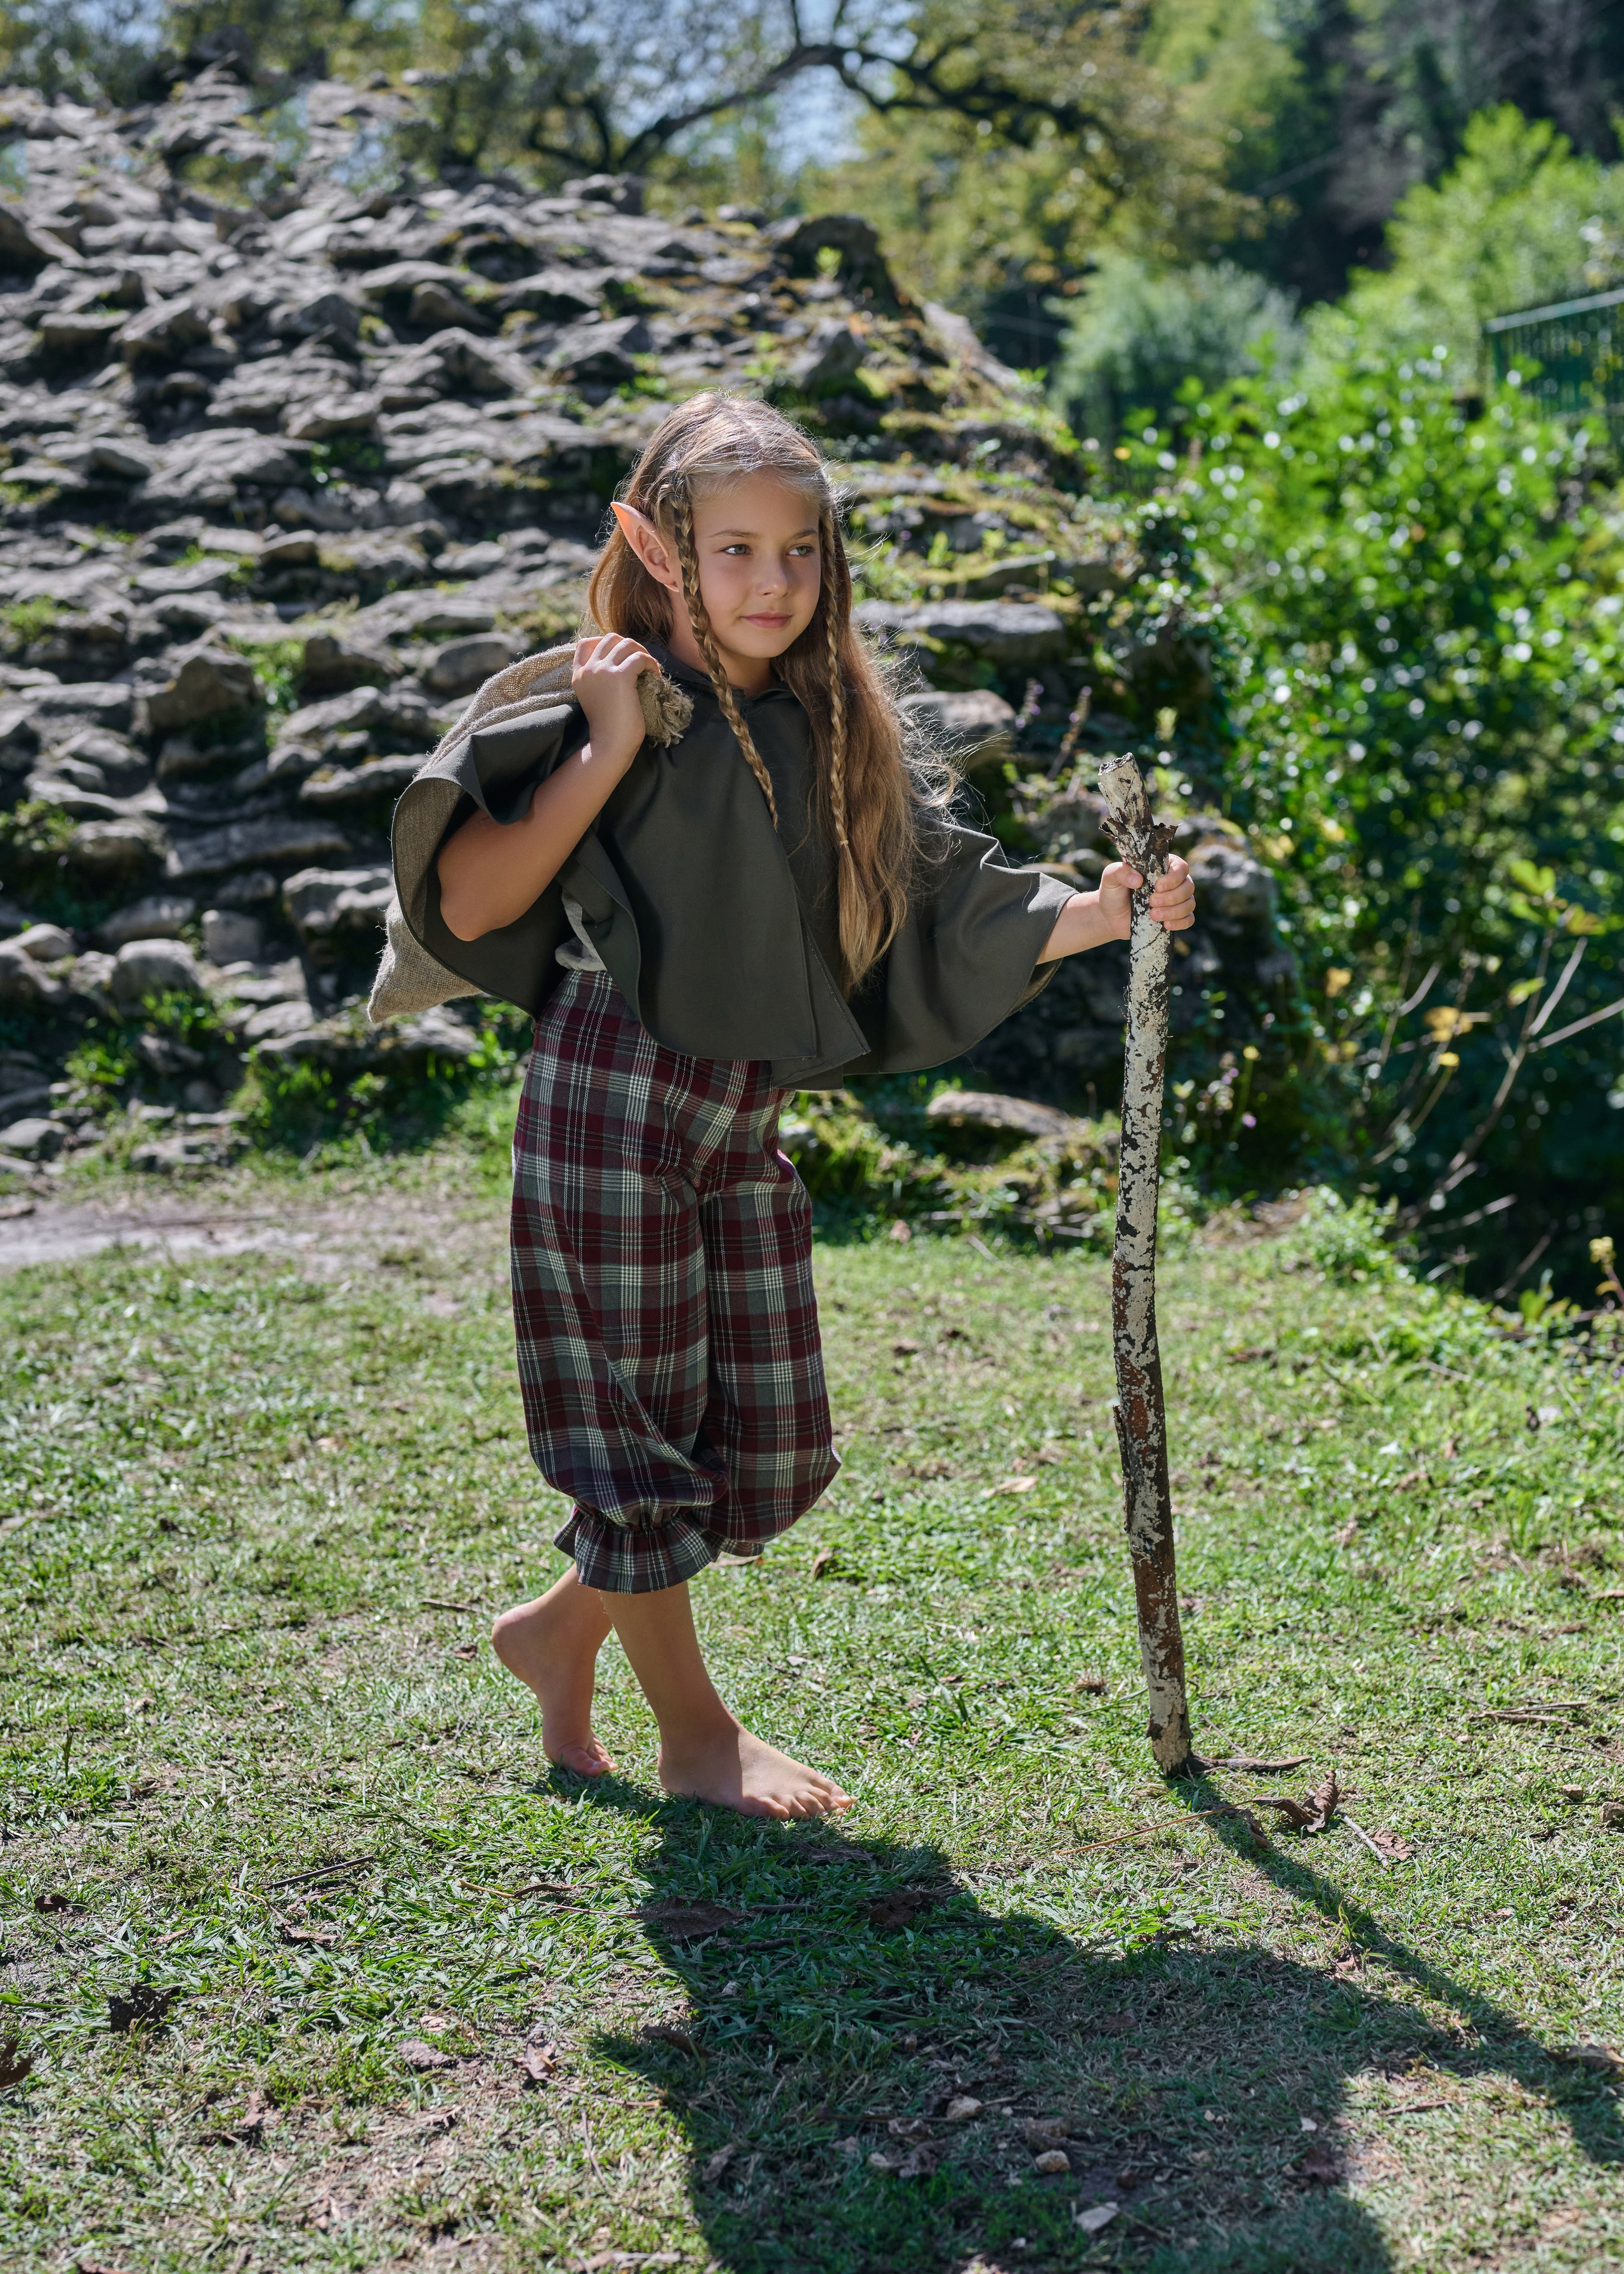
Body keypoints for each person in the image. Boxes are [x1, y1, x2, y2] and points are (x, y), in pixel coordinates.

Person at [388, 391, 1195, 1820]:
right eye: (736, 550)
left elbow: (935, 893)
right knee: (634, 1439)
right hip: (609, 1096)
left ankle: (553, 1631)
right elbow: (469, 896)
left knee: (754, 1432)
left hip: (733, 1117)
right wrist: (604, 741)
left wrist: (1101, 909)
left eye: (800, 552)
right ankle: (696, 1737)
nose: (772, 583)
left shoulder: (831, 725)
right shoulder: (605, 695)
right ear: (659, 545)